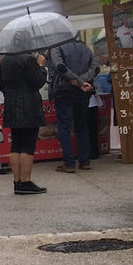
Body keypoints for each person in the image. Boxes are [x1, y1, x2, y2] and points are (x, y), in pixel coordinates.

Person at [0, 51, 48, 194]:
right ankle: (26, 181)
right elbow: (37, 81)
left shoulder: (4, 61)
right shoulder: (29, 60)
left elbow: (2, 86)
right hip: (28, 106)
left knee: (16, 145)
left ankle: (17, 181)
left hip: (11, 105)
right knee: (28, 145)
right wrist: (41, 66)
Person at [48, 38, 98, 172]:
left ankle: (69, 163)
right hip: (83, 92)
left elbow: (60, 67)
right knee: (82, 126)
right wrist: (83, 81)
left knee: (64, 126)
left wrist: (76, 81)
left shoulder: (56, 47)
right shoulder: (85, 48)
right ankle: (85, 161)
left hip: (64, 91)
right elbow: (95, 68)